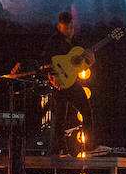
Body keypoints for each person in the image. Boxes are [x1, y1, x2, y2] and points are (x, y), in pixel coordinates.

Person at [39, 10, 95, 156]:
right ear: (60, 27)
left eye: (71, 28)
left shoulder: (77, 43)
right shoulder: (54, 42)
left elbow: (83, 64)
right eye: (67, 28)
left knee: (87, 112)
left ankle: (89, 147)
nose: (70, 31)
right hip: (59, 85)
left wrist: (90, 60)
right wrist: (53, 76)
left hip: (72, 83)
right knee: (59, 119)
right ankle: (60, 150)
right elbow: (45, 61)